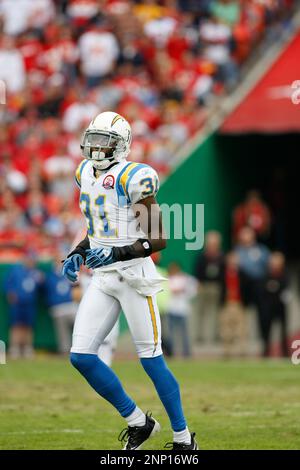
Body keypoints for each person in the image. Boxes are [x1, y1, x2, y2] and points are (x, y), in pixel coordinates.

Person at [62, 111, 198, 450]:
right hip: (104, 277)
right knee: (81, 356)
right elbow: (97, 230)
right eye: (92, 138)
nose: (95, 146)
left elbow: (159, 239)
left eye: (103, 141)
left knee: (151, 359)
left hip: (135, 277)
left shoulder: (134, 177)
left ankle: (183, 439)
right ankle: (139, 421)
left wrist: (116, 254)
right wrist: (77, 252)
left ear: (121, 145)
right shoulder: (84, 173)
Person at [235, 226, 270, 354]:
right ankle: (243, 345)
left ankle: (264, 343)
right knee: (243, 316)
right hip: (244, 286)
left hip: (259, 285)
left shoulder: (261, 250)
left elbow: (267, 264)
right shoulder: (237, 250)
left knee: (263, 315)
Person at [4, 252, 41, 358]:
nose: (31, 262)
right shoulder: (16, 271)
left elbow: (41, 286)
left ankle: (27, 348)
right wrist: (10, 293)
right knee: (16, 325)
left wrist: (41, 280)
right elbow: (7, 283)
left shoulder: (36, 273)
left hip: (30, 302)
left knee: (29, 326)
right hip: (18, 302)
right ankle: (15, 348)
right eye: (29, 260)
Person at [194, 231, 225, 343]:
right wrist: (199, 284)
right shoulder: (202, 256)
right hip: (204, 286)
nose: (212, 246)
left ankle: (216, 335)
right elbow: (197, 271)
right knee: (201, 312)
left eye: (214, 243)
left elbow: (224, 273)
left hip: (216, 287)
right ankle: (199, 336)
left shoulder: (221, 257)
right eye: (210, 243)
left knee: (216, 313)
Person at [43, 253, 77, 354]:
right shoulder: (49, 276)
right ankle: (65, 351)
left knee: (79, 329)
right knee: (62, 333)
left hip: (71, 306)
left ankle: (80, 350)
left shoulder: (69, 273)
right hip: (58, 308)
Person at [166, 262, 198, 358]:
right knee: (170, 333)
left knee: (184, 333)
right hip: (171, 309)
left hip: (183, 309)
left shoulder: (186, 279)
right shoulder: (167, 279)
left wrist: (183, 291)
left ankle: (186, 352)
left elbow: (193, 289)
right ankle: (171, 352)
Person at [219, 252, 247, 358]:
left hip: (238, 303)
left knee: (240, 329)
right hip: (227, 304)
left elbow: (247, 289)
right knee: (226, 329)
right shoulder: (223, 274)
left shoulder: (242, 274)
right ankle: (227, 351)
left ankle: (242, 351)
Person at [261, 252, 290, 357]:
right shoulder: (266, 274)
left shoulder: (284, 274)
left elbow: (285, 290)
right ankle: (266, 351)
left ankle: (285, 351)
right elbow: (263, 290)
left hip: (280, 307)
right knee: (267, 329)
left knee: (283, 329)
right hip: (268, 307)